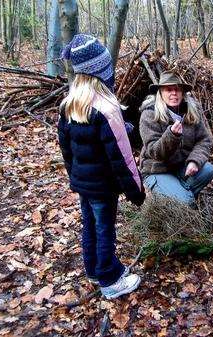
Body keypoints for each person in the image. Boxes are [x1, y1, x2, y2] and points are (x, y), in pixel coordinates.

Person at [57, 34, 145, 299]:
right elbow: (122, 157)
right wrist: (136, 190)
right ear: (102, 72)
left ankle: (93, 269)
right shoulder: (107, 108)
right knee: (105, 227)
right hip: (104, 187)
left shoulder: (69, 105)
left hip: (84, 184)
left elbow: (67, 149)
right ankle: (109, 278)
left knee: (89, 225)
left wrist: (75, 177)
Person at [139, 71, 213, 205]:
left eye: (177, 90)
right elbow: (154, 152)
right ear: (160, 93)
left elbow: (204, 140)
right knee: (186, 201)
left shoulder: (190, 111)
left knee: (208, 169)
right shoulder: (149, 114)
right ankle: (180, 199)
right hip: (157, 170)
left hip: (181, 167)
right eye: (168, 89)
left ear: (182, 93)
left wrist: (194, 161)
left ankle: (177, 196)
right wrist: (172, 136)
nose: (174, 93)